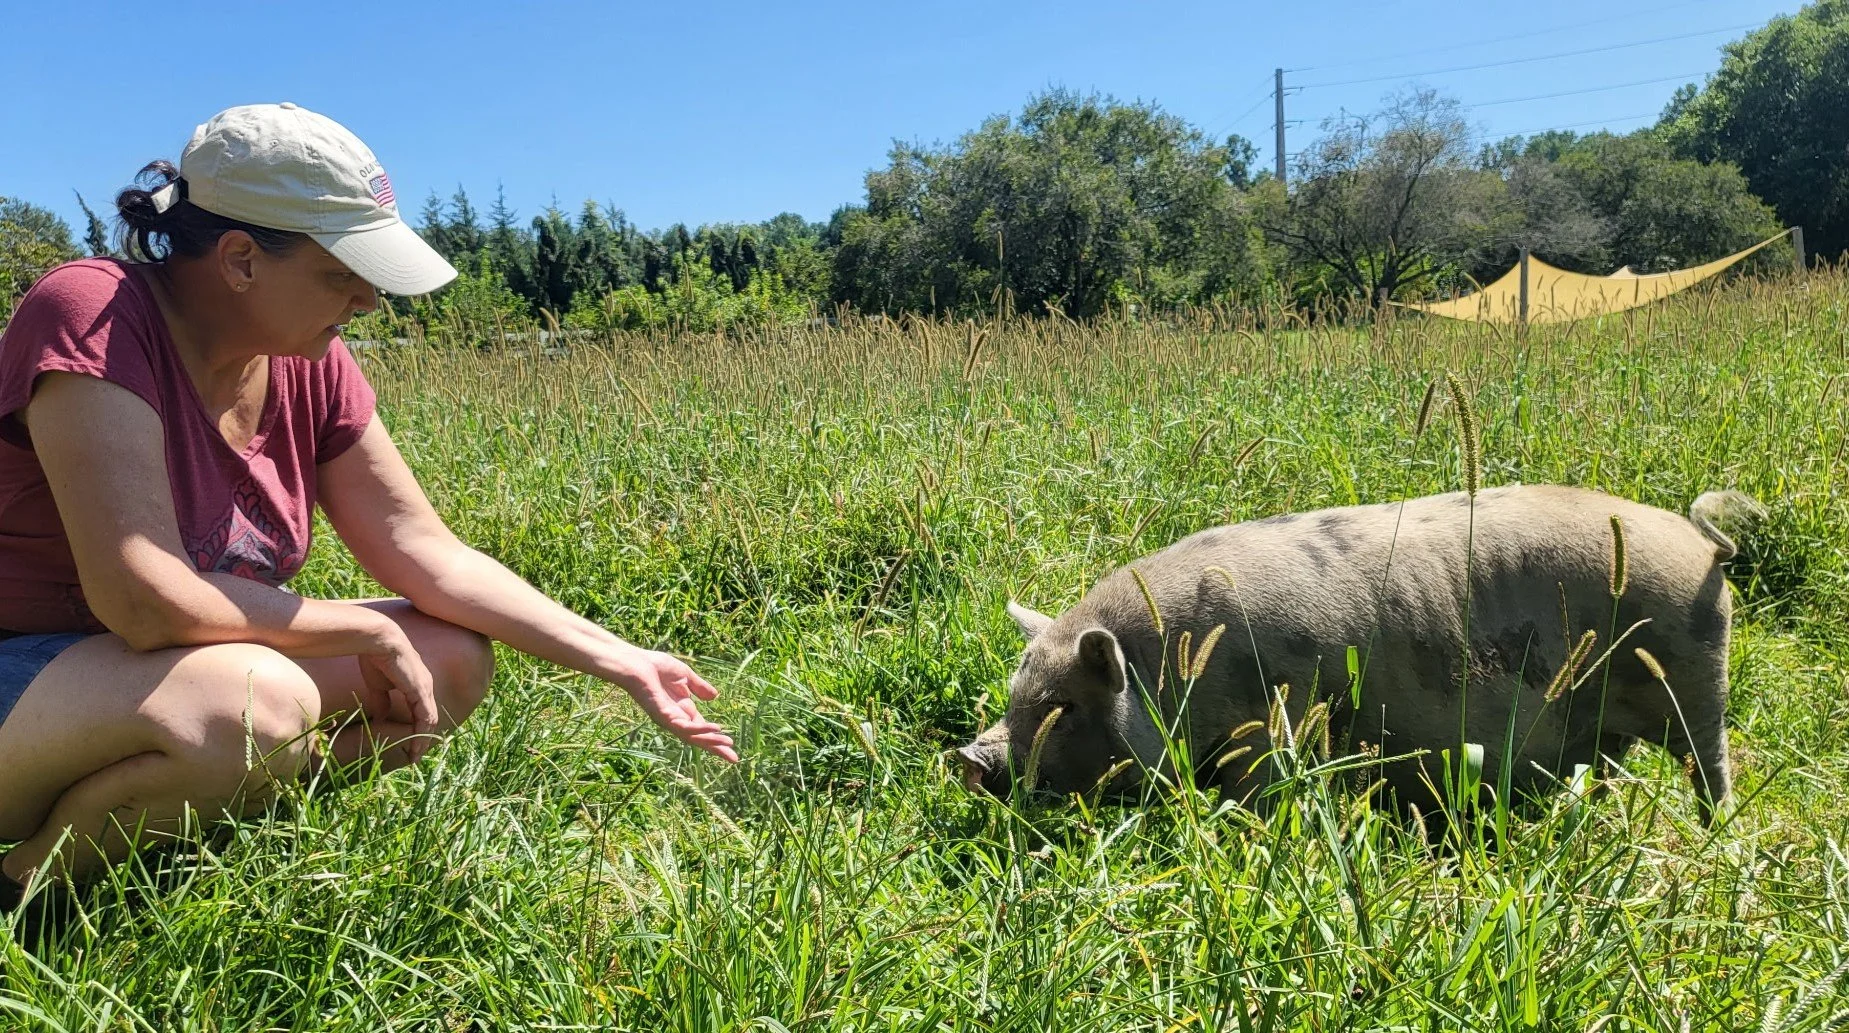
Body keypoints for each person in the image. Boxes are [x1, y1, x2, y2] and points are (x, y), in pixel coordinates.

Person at [0, 103, 737, 909]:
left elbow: (421, 548)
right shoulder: (94, 313)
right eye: (339, 271)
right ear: (240, 258)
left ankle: (217, 811)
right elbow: (142, 596)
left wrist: (619, 658)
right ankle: (27, 895)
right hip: (31, 674)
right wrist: (364, 626)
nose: (368, 300)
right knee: (251, 702)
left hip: (159, 675)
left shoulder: (309, 359)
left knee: (449, 657)